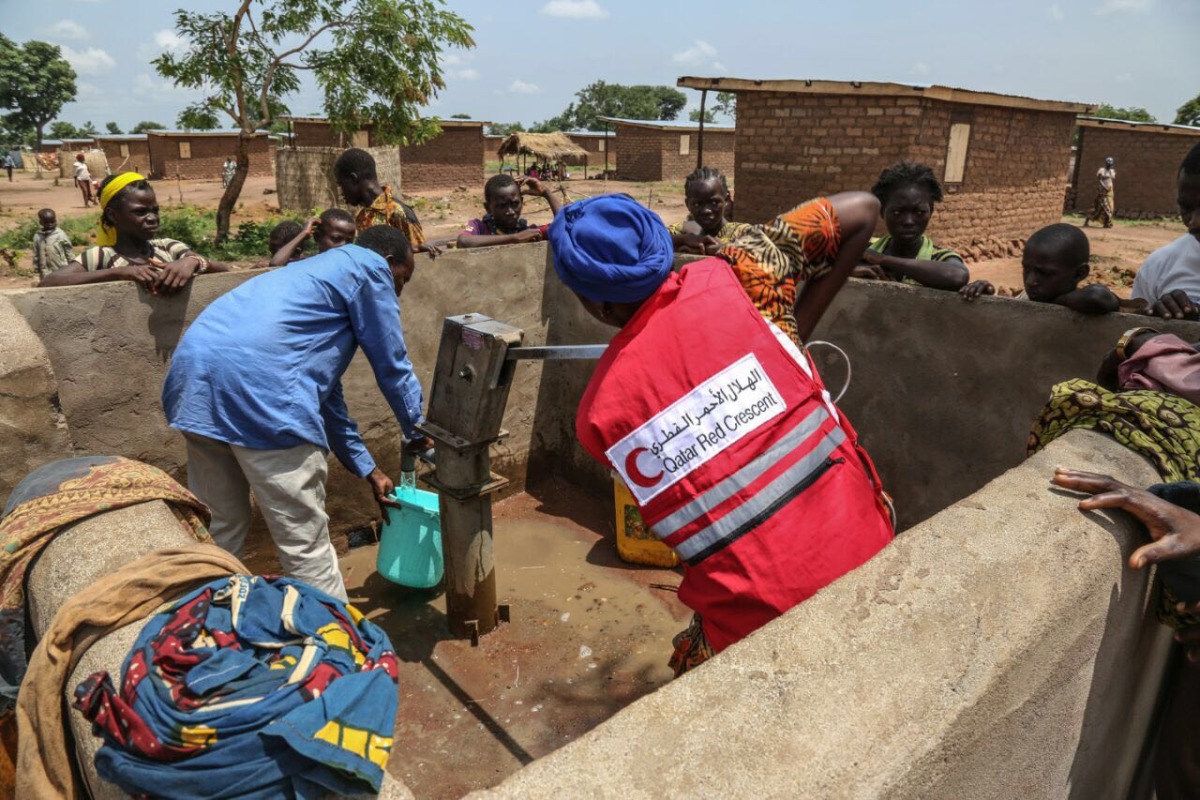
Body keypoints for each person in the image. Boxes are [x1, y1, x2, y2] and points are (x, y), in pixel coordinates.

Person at [548, 192, 894, 675]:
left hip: (760, 622)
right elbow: (865, 210)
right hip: (871, 552)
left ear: (597, 303)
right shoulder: (746, 274)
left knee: (687, 669)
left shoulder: (598, 418)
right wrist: (789, 331)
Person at [161, 226, 432, 602]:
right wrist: (418, 429)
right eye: (403, 278)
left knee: (221, 529)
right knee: (305, 545)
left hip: (196, 385)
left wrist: (369, 469)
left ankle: (213, 631)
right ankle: (334, 647)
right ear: (389, 262)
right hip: (261, 392)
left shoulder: (314, 273)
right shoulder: (370, 269)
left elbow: (325, 395)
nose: (398, 290)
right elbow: (392, 363)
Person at [40, 173, 228, 293]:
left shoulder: (169, 247)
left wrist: (193, 261)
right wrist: (119, 273)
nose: (152, 217)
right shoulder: (101, 257)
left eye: (155, 210)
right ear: (113, 215)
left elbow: (224, 270)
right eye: (140, 212)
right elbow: (49, 283)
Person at [852, 161, 968, 291]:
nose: (908, 221)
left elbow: (957, 276)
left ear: (930, 212)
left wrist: (883, 259)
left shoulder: (939, 257)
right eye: (897, 212)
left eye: (919, 212)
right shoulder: (864, 248)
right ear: (882, 212)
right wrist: (848, 270)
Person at [959, 223, 1118, 314]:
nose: (1030, 281)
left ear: (1080, 273)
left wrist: (1054, 303)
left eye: (1045, 273)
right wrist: (987, 298)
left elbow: (1097, 297)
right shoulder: (1025, 298)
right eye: (1026, 270)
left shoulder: (1085, 307)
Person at [1130, 142, 1200, 320]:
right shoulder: (1160, 265)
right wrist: (1156, 323)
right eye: (1186, 208)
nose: (1194, 223)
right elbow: (1130, 334)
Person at [333, 148, 441, 256]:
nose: (341, 193)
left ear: (353, 179)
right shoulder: (362, 217)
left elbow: (421, 260)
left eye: (341, 185)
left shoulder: (398, 212)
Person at [456, 174, 561, 248]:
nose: (510, 211)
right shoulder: (479, 227)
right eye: (502, 206)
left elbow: (565, 226)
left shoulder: (529, 232)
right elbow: (463, 241)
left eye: (515, 204)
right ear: (488, 208)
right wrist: (515, 239)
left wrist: (546, 193)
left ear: (522, 202)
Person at [668, 166, 751, 256]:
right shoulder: (679, 231)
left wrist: (707, 250)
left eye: (714, 202)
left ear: (726, 199)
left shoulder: (742, 232)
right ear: (687, 204)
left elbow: (758, 250)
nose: (706, 210)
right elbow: (654, 239)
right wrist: (685, 239)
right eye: (697, 204)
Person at [269, 208, 357, 266]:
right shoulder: (309, 264)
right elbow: (276, 264)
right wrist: (304, 233)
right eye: (336, 239)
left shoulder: (352, 263)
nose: (344, 245)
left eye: (349, 241)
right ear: (317, 237)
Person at [30, 209, 73, 280]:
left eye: (52, 221)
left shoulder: (60, 235)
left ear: (55, 220)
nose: (50, 224)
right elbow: (36, 256)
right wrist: (36, 272)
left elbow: (69, 252)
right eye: (46, 222)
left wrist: (72, 267)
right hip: (45, 272)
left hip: (61, 269)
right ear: (41, 222)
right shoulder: (38, 236)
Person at [1084, 156, 1117, 228]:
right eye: (1108, 164)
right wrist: (1104, 187)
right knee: (1097, 207)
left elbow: (1111, 180)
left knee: (1109, 208)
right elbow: (1099, 179)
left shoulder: (1112, 171)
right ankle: (1087, 221)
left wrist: (1108, 188)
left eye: (1110, 165)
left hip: (1109, 192)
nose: (1109, 166)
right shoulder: (1101, 170)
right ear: (1105, 164)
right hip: (1102, 191)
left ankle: (1106, 223)